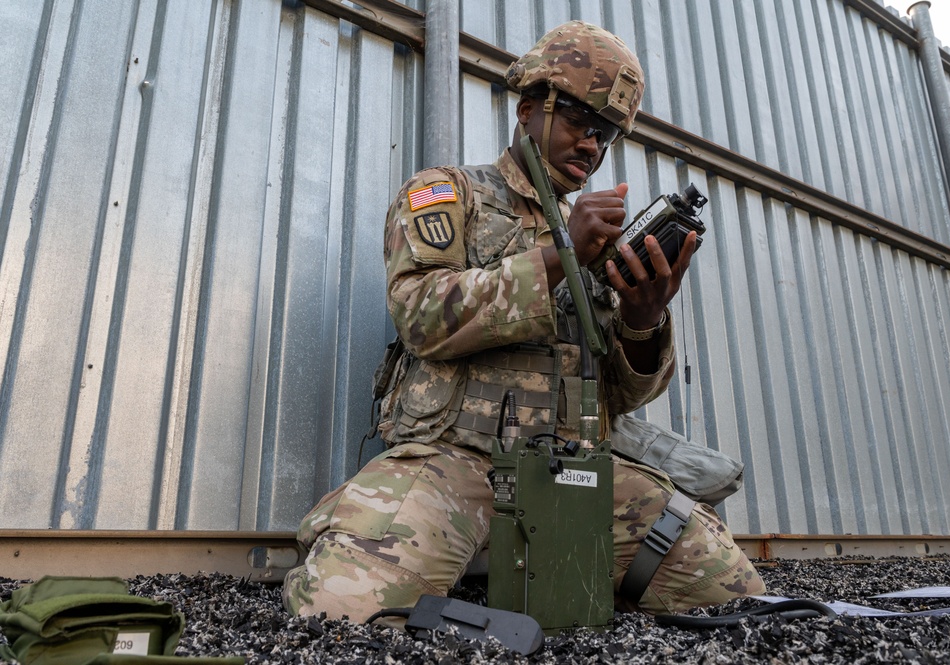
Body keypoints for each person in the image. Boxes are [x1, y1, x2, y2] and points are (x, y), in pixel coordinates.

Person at [283, 20, 765, 625]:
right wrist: (555, 259)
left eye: (606, 135)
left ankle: (569, 575)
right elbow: (421, 316)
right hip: (455, 462)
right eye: (579, 124)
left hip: (572, 474)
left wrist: (645, 320)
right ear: (529, 109)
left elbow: (621, 394)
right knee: (337, 610)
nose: (591, 145)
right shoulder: (447, 195)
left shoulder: (600, 239)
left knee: (735, 593)